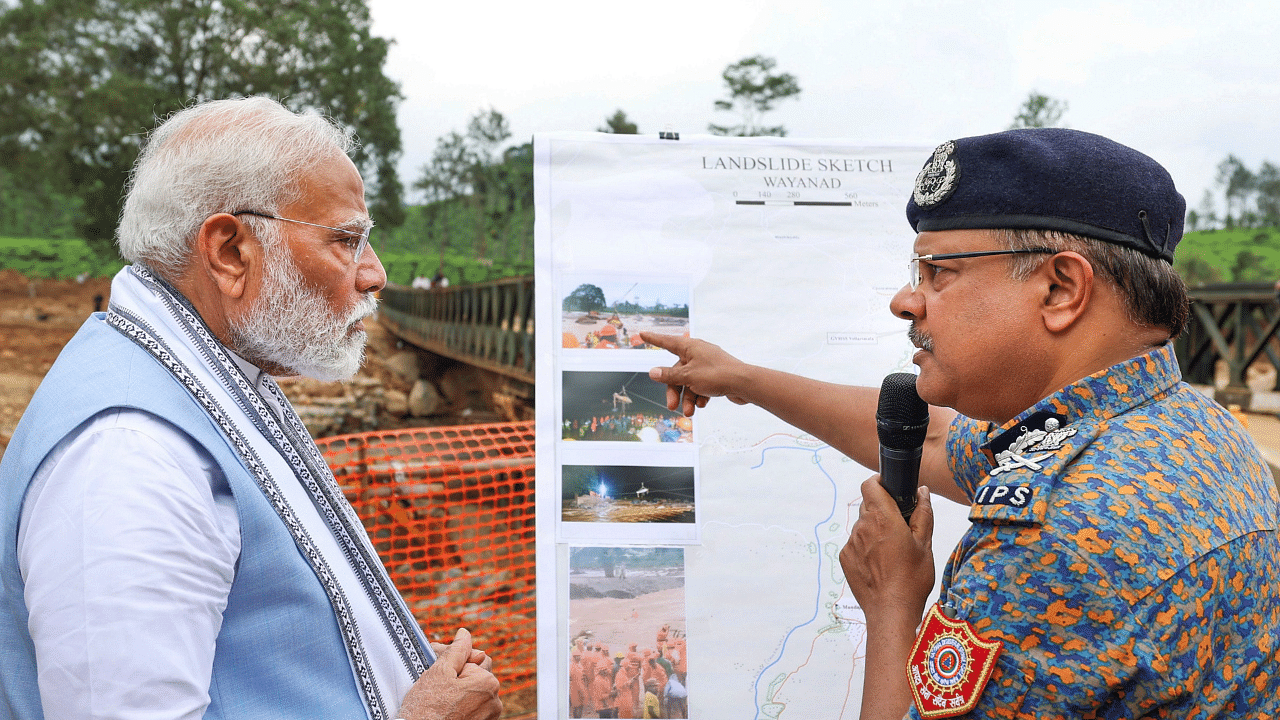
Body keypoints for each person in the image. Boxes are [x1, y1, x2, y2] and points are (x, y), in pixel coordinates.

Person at [644, 128, 1280, 718]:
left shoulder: (1052, 543)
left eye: (939, 272)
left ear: (1061, 289)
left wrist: (892, 603)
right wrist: (741, 380)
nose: (906, 300)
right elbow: (944, 442)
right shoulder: (1186, 426)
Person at [0, 98, 501, 720]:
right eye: (347, 241)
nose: (375, 275)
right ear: (230, 251)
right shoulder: (130, 458)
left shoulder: (200, 377)